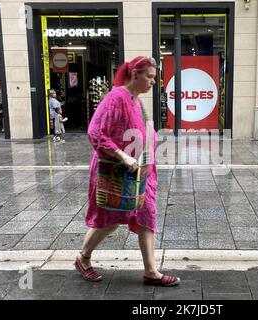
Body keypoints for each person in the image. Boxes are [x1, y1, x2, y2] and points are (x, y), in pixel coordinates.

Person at [74, 56, 180, 286]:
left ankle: (151, 272)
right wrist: (122, 155)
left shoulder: (137, 100)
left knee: (147, 216)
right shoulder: (116, 97)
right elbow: (95, 132)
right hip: (114, 171)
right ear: (135, 74)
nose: (154, 82)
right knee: (109, 220)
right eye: (150, 77)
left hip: (140, 173)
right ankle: (83, 257)